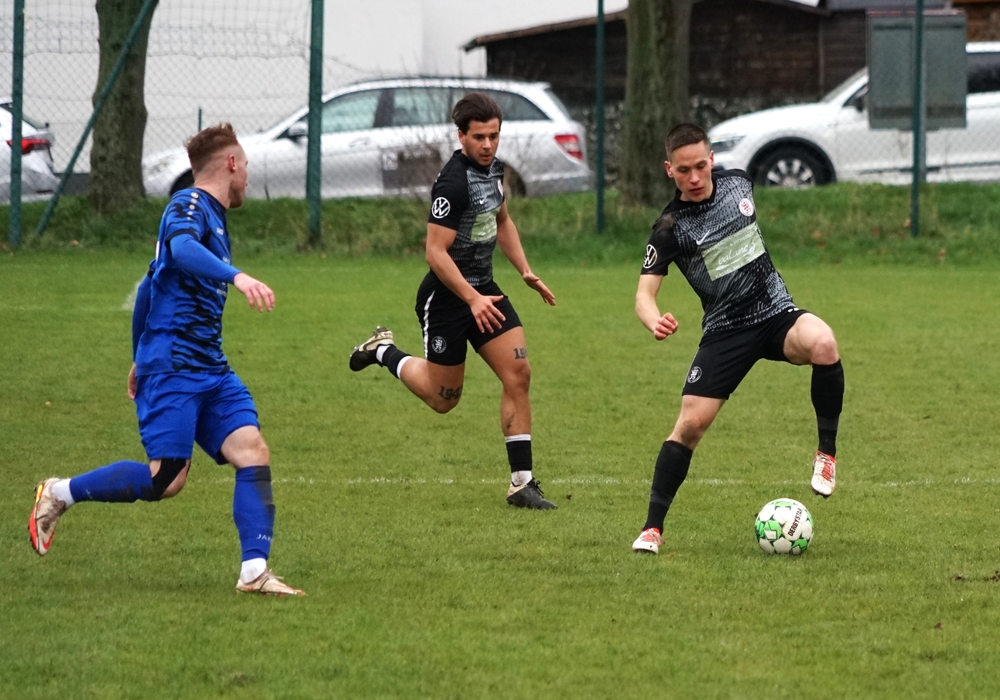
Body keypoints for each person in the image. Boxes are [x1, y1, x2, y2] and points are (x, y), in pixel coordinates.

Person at [28, 123, 304, 595]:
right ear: (231, 163)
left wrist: (138, 354)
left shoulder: (214, 217)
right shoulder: (189, 204)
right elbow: (181, 249)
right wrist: (237, 278)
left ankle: (254, 572)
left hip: (209, 366)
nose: (247, 175)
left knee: (252, 450)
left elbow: (150, 285)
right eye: (245, 165)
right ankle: (58, 493)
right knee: (167, 480)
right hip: (175, 365)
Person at [630, 123, 844, 555]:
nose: (695, 177)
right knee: (690, 425)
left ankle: (826, 455)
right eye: (684, 170)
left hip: (776, 314)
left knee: (823, 342)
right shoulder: (670, 228)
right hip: (726, 331)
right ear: (669, 170)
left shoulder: (739, 182)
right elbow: (643, 295)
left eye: (701, 166)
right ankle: (652, 529)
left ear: (712, 159)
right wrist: (654, 321)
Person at [349, 92, 558, 510]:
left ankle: (522, 484)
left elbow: (502, 220)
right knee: (443, 399)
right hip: (446, 299)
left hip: (485, 291)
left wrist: (524, 270)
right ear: (461, 136)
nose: (488, 145)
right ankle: (384, 350)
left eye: (494, 136)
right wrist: (471, 298)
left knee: (518, 372)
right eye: (479, 137)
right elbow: (435, 253)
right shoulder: (452, 184)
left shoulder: (494, 170)